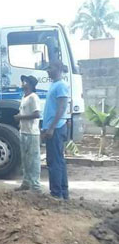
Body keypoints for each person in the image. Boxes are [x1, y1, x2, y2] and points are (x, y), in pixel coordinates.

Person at [41, 60, 69, 200]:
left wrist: (51, 128)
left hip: (56, 129)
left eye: (50, 67)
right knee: (58, 160)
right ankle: (62, 192)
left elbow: (62, 108)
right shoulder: (54, 85)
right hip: (54, 128)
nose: (47, 70)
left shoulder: (61, 86)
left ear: (58, 68)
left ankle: (56, 193)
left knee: (54, 161)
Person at [14, 75, 41, 193]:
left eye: (25, 82)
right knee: (25, 160)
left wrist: (21, 117)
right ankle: (26, 182)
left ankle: (36, 186)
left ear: (30, 84)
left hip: (32, 133)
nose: (22, 83)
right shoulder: (24, 97)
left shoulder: (33, 97)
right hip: (24, 132)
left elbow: (37, 114)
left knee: (33, 160)